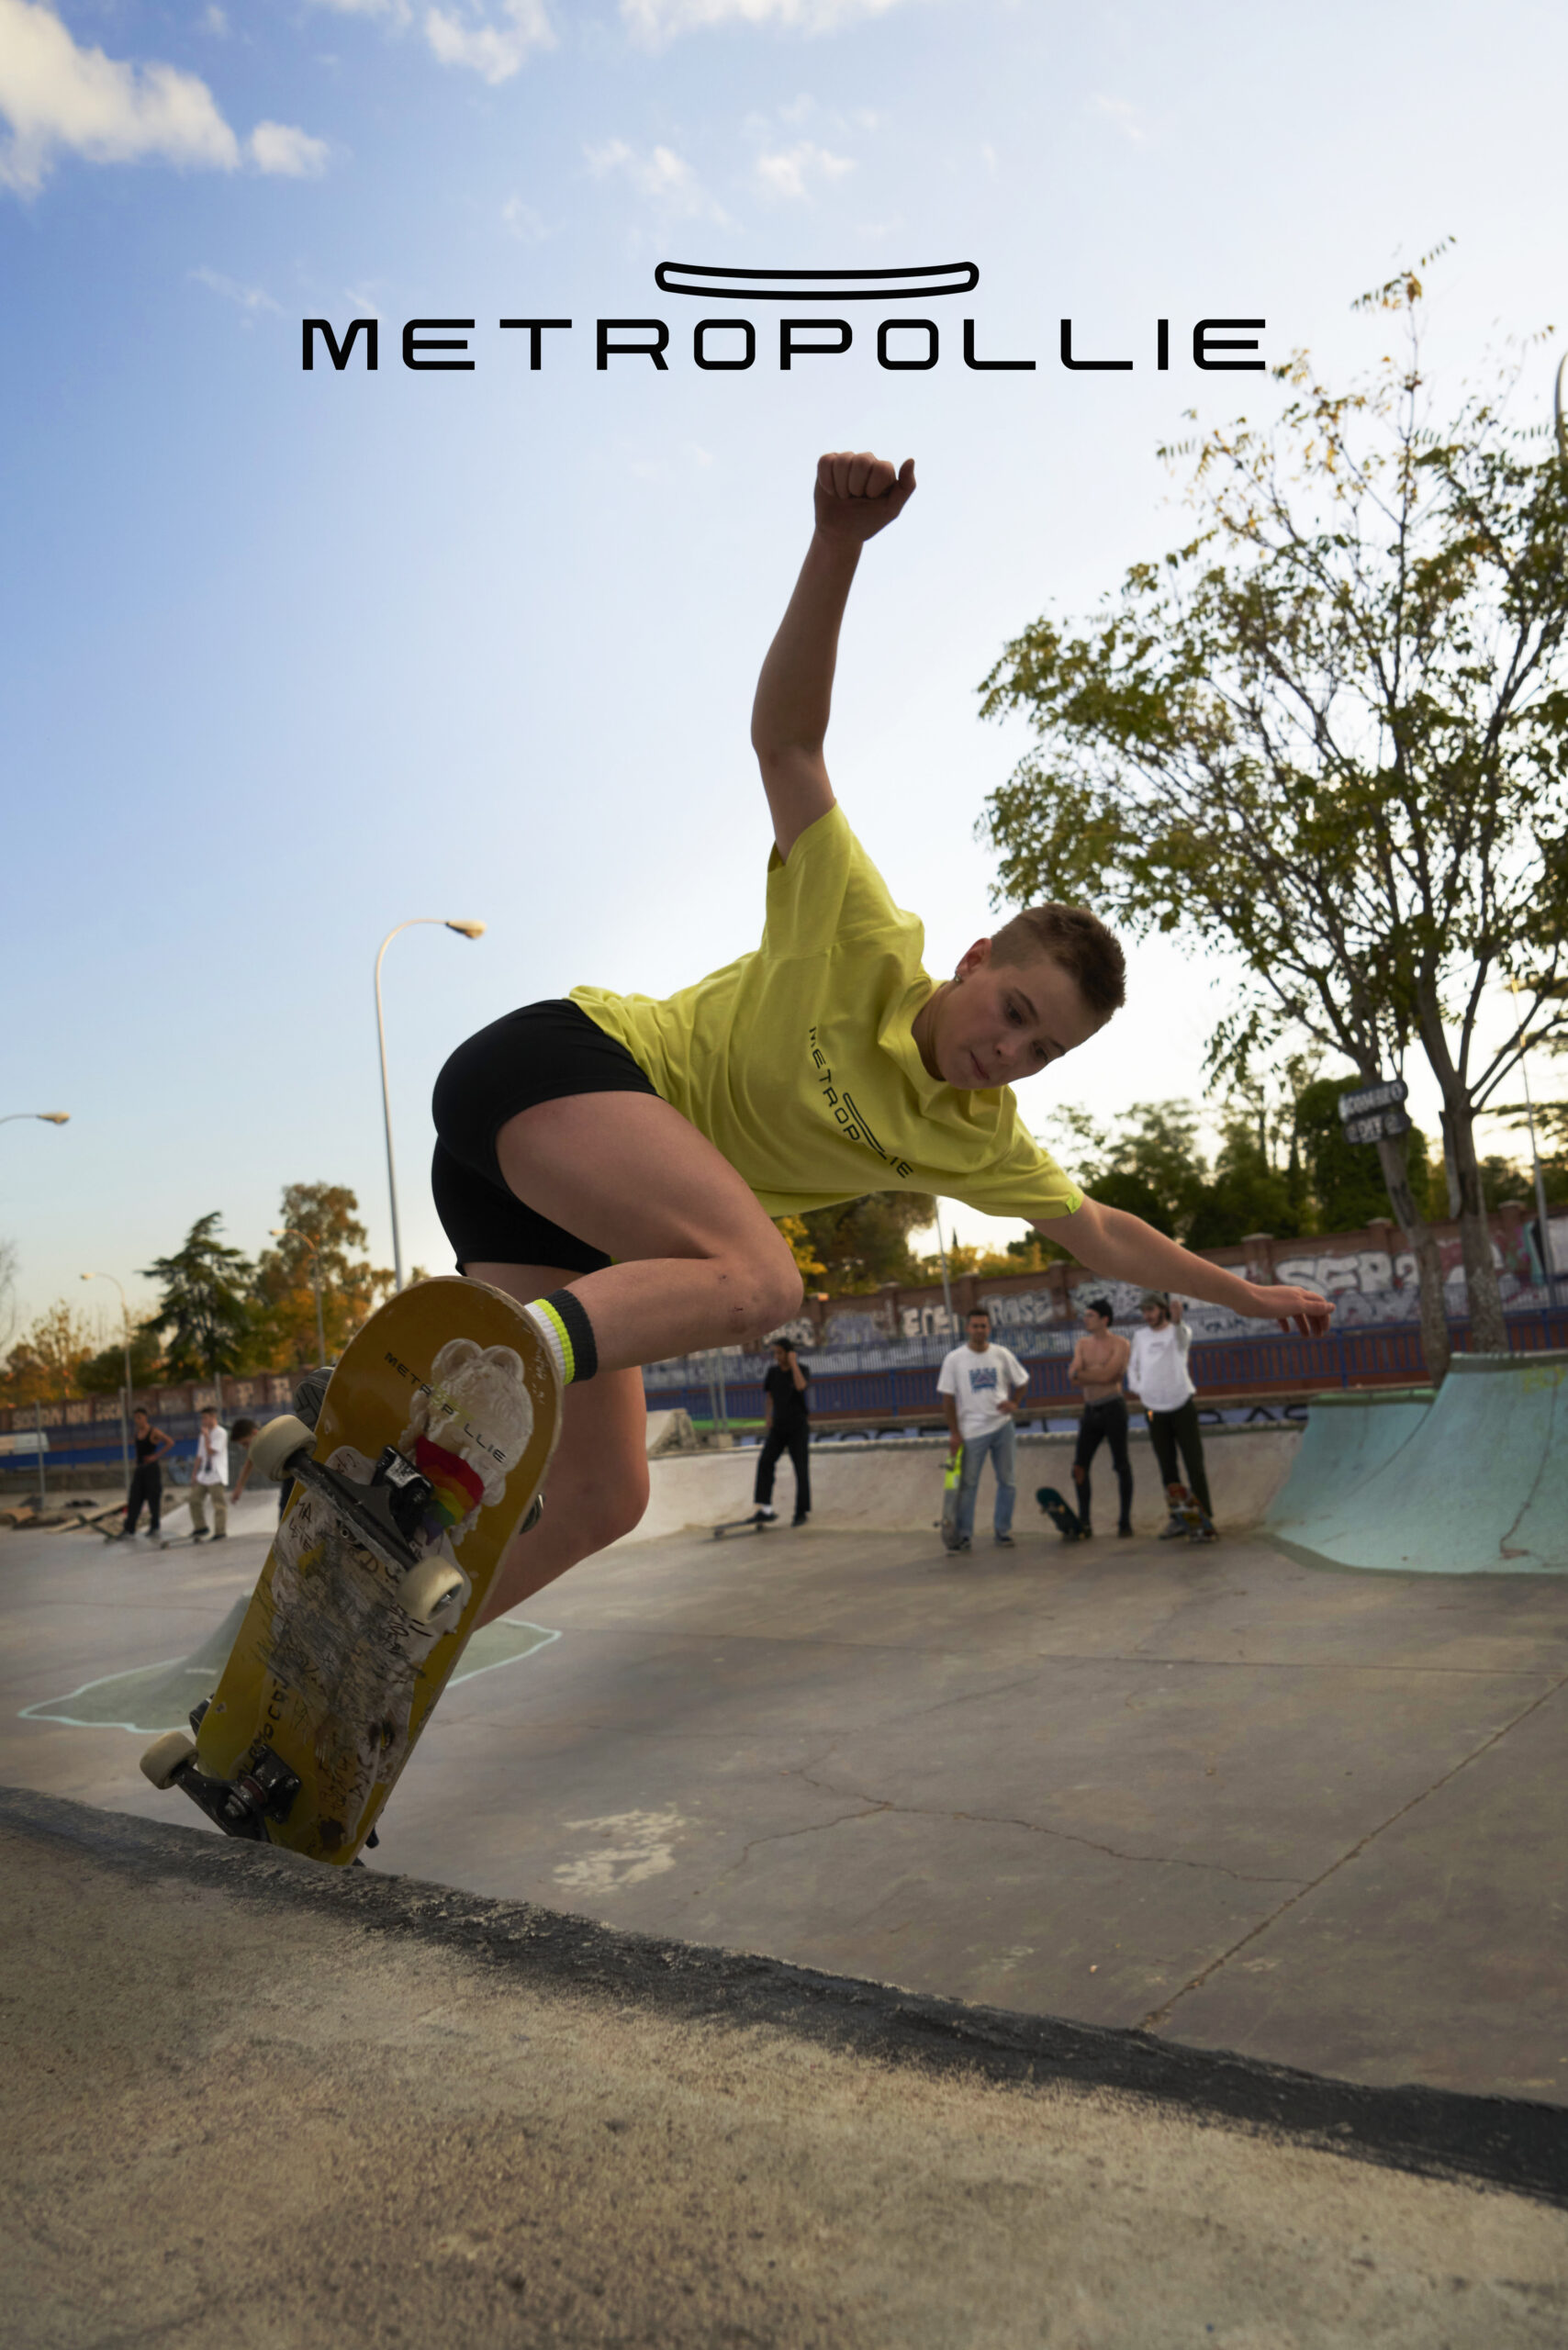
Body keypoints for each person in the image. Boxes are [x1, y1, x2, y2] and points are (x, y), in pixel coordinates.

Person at [427, 450, 1329, 1628]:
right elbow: (787, 746)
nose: (1009, 1057)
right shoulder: (855, 924)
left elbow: (1104, 1230)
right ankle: (468, 1379)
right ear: (973, 961)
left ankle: (386, 1645)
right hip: (550, 1074)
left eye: (1042, 1054)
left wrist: (1245, 1295)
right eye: (1015, 1014)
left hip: (555, 1212)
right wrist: (836, 545)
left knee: (607, 1496)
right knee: (762, 1278)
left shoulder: (975, 1137)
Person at [937, 1306, 1029, 1550]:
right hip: (972, 1430)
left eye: (984, 1326)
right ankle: (965, 1535)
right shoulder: (955, 1359)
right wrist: (955, 1433)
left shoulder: (1001, 1354)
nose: (979, 1330)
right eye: (975, 1326)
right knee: (968, 1484)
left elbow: (1022, 1380)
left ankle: (1003, 1530)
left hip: (1002, 1426)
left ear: (989, 1329)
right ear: (968, 1328)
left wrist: (1014, 1402)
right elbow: (947, 1398)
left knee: (1008, 1481)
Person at [1126, 1293, 1215, 1539]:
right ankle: (1177, 1518)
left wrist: (1177, 1321)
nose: (1147, 1315)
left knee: (1194, 1463)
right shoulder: (1140, 1337)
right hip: (1153, 1409)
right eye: (1144, 1311)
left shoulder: (1178, 1332)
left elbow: (1183, 1340)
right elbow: (1132, 1366)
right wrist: (1140, 1389)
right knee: (1167, 1467)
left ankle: (1205, 1515)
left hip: (1182, 1404)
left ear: (1162, 1310)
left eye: (1151, 1310)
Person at [1068, 1295, 1134, 1538]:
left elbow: (1109, 1377)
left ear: (1104, 1319)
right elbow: (1072, 1375)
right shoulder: (1082, 1344)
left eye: (1090, 1316)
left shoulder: (1120, 1344)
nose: (1086, 1319)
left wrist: (1086, 1374)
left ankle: (1124, 1521)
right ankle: (1084, 1522)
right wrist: (1098, 1373)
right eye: (1085, 1315)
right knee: (1079, 1467)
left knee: (1121, 1465)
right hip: (1091, 1410)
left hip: (1113, 1408)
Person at [753, 1338, 811, 1526]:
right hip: (778, 1426)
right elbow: (770, 1396)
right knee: (765, 1461)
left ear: (788, 1353)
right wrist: (768, 1417)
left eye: (780, 1353)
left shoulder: (801, 1369)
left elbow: (801, 1386)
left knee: (800, 1469)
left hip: (797, 1427)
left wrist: (793, 1364)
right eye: (775, 1353)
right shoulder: (773, 1372)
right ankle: (765, 1509)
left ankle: (801, 1512)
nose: (776, 1356)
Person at [119, 1405, 174, 1539]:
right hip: (140, 1470)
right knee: (134, 1498)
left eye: (139, 1418)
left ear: (145, 1418)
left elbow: (170, 1442)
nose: (137, 1421)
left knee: (153, 1499)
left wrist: (156, 1456)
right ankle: (129, 1528)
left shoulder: (153, 1432)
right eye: (135, 1418)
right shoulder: (137, 1433)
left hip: (151, 1470)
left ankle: (155, 1527)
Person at [188, 1404, 230, 1541]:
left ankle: (220, 1531)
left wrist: (206, 1436)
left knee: (218, 1504)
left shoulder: (220, 1433)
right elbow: (200, 1455)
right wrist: (194, 1473)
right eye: (202, 1418)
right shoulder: (203, 1434)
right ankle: (200, 1526)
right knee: (194, 1499)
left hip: (216, 1474)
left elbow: (211, 1451)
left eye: (205, 1418)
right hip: (204, 1474)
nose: (203, 1421)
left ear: (213, 1417)